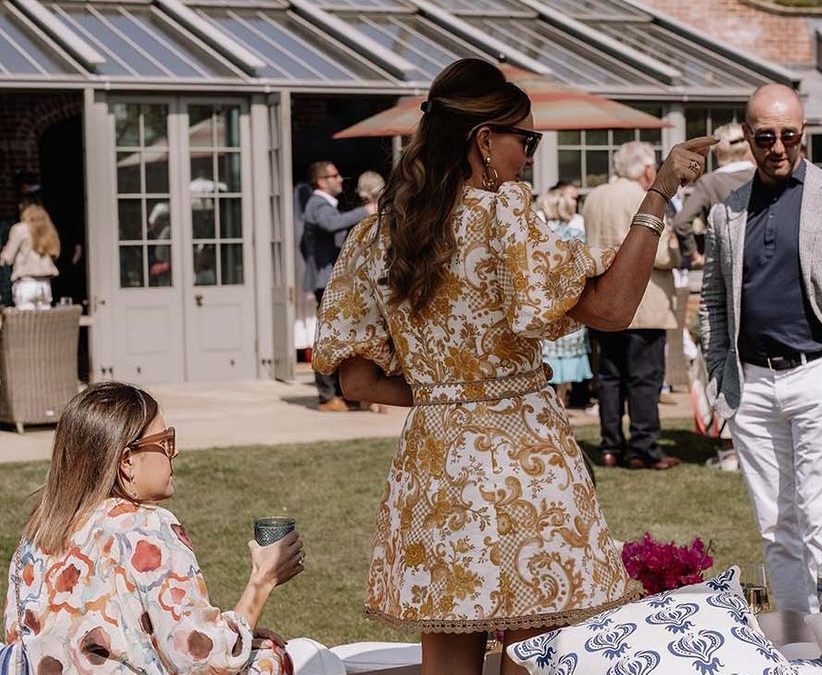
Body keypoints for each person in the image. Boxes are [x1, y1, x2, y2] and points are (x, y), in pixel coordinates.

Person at [313, 58, 714, 675]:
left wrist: (451, 392)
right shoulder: (502, 218)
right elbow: (611, 309)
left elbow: (357, 380)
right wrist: (658, 192)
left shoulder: (375, 237)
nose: (529, 155)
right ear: (483, 140)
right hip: (524, 462)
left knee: (448, 654)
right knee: (537, 653)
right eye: (526, 140)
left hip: (436, 465)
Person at [701, 84, 822, 613]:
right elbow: (713, 303)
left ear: (803, 133)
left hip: (821, 376)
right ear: (747, 137)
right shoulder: (726, 213)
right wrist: (720, 375)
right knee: (775, 526)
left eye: (789, 135)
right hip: (752, 385)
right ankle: (792, 641)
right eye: (766, 136)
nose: (779, 146)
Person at [1, 382, 306, 674]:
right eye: (164, 442)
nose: (174, 452)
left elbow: (20, 638)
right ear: (126, 461)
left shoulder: (37, 533)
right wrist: (262, 581)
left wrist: (239, 631)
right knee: (272, 657)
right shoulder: (146, 528)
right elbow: (204, 662)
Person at [584, 141, 684, 471]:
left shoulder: (595, 197)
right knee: (644, 379)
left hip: (604, 299)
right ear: (646, 169)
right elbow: (661, 254)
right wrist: (676, 251)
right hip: (643, 300)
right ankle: (643, 448)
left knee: (609, 377)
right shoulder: (643, 197)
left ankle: (610, 446)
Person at [301, 160, 375, 411]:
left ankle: (341, 393)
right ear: (321, 181)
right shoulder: (317, 204)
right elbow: (331, 224)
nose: (341, 179)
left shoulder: (325, 205)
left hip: (332, 281)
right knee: (328, 337)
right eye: (335, 175)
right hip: (325, 282)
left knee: (337, 336)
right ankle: (327, 396)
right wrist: (367, 211)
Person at [538, 189, 593, 406]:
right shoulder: (574, 231)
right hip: (570, 299)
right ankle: (561, 399)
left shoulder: (543, 230)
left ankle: (556, 399)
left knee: (550, 353)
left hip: (548, 299)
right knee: (564, 354)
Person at [674, 123, 755, 268]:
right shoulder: (763, 177)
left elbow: (681, 222)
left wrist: (694, 255)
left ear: (718, 152)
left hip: (724, 261)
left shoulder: (710, 182)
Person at [0, 204, 60, 310]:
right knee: (44, 318)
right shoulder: (48, 230)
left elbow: (8, 258)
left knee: (25, 318)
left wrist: (3, 254)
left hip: (26, 283)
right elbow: (55, 254)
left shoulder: (20, 229)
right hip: (44, 284)